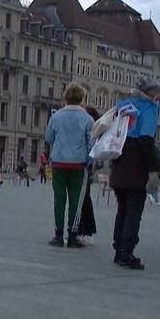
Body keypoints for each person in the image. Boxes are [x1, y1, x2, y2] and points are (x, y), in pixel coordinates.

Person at [109, 77, 160, 270]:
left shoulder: (123, 104)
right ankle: (127, 251)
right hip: (135, 164)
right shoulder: (148, 108)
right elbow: (146, 141)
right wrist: (153, 169)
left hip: (119, 160)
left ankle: (118, 249)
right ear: (154, 95)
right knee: (134, 212)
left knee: (122, 208)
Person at [44, 85, 94, 247]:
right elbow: (91, 143)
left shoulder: (56, 117)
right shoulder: (87, 119)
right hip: (78, 165)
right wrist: (89, 161)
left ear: (65, 97)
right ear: (81, 99)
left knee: (59, 199)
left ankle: (58, 235)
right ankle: (72, 235)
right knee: (75, 201)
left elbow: (49, 137)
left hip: (58, 163)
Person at [76, 106, 102, 244]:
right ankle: (87, 231)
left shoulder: (91, 128)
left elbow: (91, 147)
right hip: (86, 165)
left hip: (84, 165)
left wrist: (88, 164)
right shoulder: (93, 128)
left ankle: (82, 230)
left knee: (82, 198)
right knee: (85, 198)